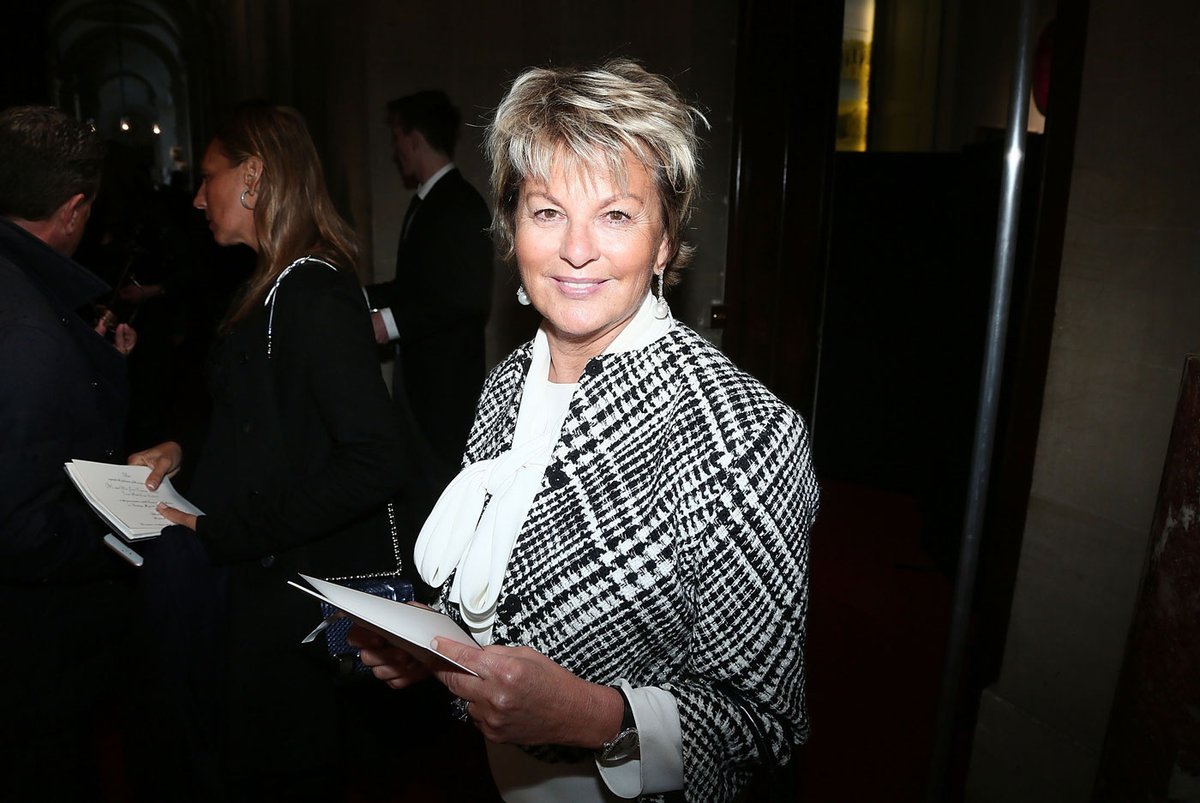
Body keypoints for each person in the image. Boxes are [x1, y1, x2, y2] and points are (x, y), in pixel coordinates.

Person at [352, 60, 820, 802]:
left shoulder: (746, 433)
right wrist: (433, 646)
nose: (576, 249)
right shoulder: (506, 384)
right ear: (512, 227)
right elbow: (503, 599)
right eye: (546, 212)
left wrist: (591, 714)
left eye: (616, 214)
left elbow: (760, 723)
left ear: (664, 242)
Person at [128, 103, 411, 801]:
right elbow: (265, 420)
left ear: (253, 175)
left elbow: (375, 457)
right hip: (265, 587)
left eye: (210, 176)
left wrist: (220, 530)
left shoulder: (310, 293)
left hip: (295, 600)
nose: (198, 196)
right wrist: (182, 449)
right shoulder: (274, 284)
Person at [0, 105, 137, 801]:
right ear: (75, 208)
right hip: (32, 653)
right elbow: (20, 527)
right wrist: (117, 519)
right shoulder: (28, 328)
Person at [365, 90, 493, 498]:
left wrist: (388, 323)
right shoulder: (428, 201)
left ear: (415, 139)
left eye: (397, 138)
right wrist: (356, 297)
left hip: (445, 392)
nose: (394, 150)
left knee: (440, 493)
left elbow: (467, 296)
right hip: (419, 383)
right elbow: (416, 286)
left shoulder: (461, 204)